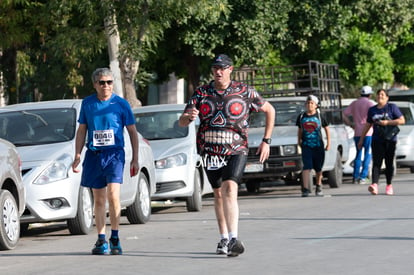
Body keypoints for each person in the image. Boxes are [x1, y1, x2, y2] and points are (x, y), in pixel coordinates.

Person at [178, 54, 275, 257]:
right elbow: (182, 122)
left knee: (230, 188)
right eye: (215, 68)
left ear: (231, 69)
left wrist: (266, 140)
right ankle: (223, 238)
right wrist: (188, 117)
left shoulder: (244, 91)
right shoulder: (201, 93)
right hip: (210, 150)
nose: (218, 72)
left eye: (222, 68)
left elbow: (269, 109)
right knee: (218, 193)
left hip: (237, 148)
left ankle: (233, 238)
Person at [72, 68, 139, 255]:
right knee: (99, 199)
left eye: (109, 82)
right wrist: (77, 154)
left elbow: (132, 132)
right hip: (94, 155)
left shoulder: (121, 104)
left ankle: (115, 237)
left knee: (113, 195)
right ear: (95, 84)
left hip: (115, 154)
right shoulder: (88, 104)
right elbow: (82, 130)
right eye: (102, 82)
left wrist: (135, 158)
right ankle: (101, 239)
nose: (106, 86)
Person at [358, 89, 405, 195]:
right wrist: (361, 139)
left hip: (390, 140)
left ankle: (389, 185)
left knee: (389, 163)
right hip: (377, 139)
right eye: (379, 94)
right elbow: (367, 125)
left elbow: (402, 120)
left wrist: (388, 122)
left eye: (383, 95)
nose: (380, 96)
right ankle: (374, 184)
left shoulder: (392, 107)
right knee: (377, 162)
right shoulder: (372, 110)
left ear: (387, 97)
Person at [296, 95, 330, 197]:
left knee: (318, 168)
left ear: (316, 105)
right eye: (307, 103)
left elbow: (327, 129)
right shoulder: (302, 117)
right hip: (306, 145)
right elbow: (300, 130)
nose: (309, 105)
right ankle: (305, 189)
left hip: (318, 145)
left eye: (311, 103)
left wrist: (328, 143)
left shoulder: (320, 116)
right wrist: (298, 142)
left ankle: (318, 185)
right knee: (307, 167)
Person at [343, 86, 375, 184]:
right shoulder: (370, 104)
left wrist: (350, 124)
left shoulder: (354, 103)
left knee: (358, 154)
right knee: (367, 154)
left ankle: (355, 176)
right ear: (369, 94)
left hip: (357, 132)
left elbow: (343, 114)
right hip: (368, 132)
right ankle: (363, 177)